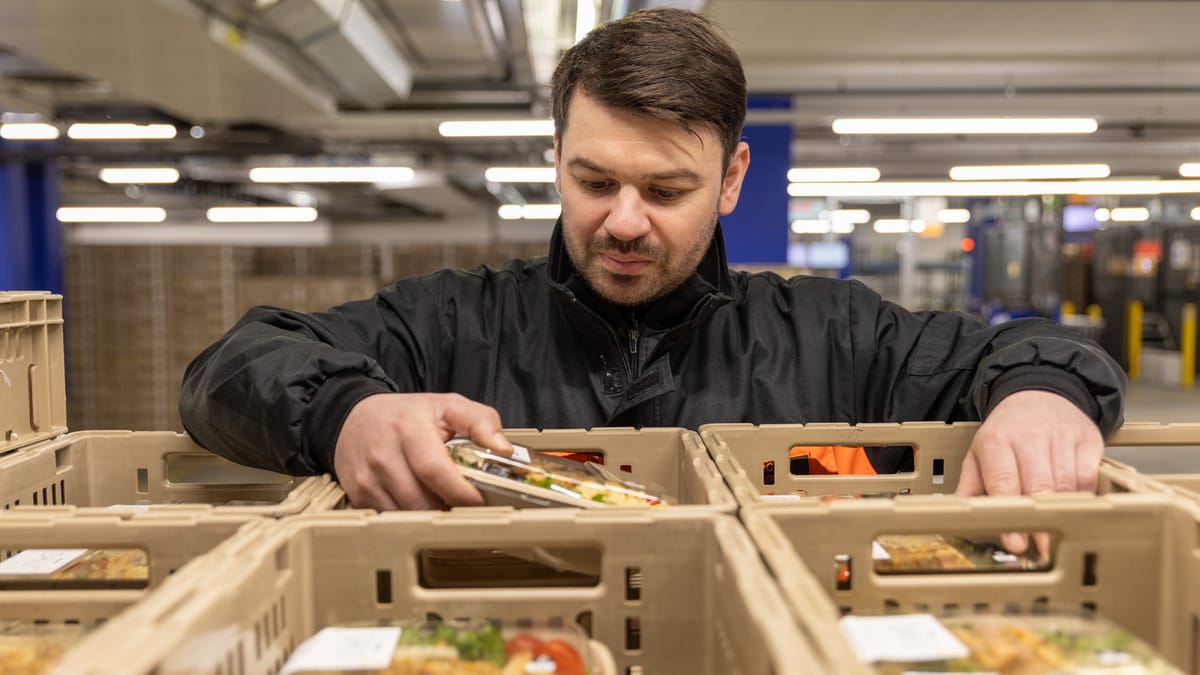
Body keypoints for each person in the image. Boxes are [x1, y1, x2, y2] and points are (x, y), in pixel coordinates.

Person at [179, 8, 1125, 520]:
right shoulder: (452, 323)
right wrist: (349, 410)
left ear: (730, 179)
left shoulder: (835, 333)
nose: (623, 221)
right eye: (593, 180)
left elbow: (1028, 352)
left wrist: (1042, 392)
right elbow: (230, 364)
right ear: (555, 159)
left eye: (666, 190)